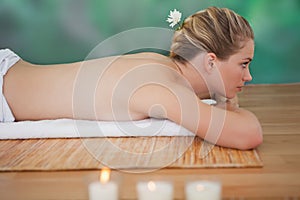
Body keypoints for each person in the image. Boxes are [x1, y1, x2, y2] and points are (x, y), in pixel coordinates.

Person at [1, 7, 262, 150]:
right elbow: (249, 134)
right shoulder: (163, 89)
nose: (248, 76)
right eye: (243, 64)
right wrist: (226, 105)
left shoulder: (159, 64)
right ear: (210, 61)